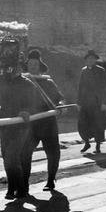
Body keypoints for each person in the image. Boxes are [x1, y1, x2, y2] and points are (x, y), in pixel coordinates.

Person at [0, 55, 44, 200]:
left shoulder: (27, 84)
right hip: (5, 124)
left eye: (13, 66)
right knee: (6, 156)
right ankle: (12, 188)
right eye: (7, 66)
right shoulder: (1, 80)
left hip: (21, 125)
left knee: (12, 156)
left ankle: (22, 189)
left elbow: (35, 104)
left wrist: (27, 111)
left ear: (19, 67)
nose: (9, 69)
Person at [22, 49, 65, 191]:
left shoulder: (48, 81)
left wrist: (60, 106)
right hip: (31, 125)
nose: (33, 66)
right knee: (25, 152)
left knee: (52, 153)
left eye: (35, 64)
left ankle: (51, 180)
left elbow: (59, 99)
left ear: (40, 66)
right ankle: (24, 183)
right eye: (30, 63)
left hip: (48, 123)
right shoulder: (22, 81)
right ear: (27, 65)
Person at [77, 49, 106, 153]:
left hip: (97, 103)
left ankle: (97, 146)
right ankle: (86, 143)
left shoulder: (101, 71)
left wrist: (105, 102)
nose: (90, 61)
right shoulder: (84, 71)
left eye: (92, 59)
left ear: (95, 60)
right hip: (85, 103)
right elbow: (80, 87)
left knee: (98, 124)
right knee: (83, 124)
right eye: (88, 59)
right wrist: (78, 102)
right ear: (86, 60)